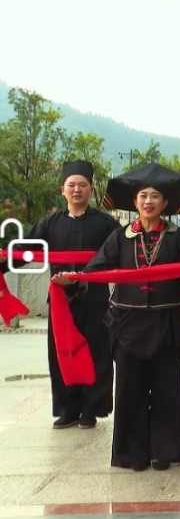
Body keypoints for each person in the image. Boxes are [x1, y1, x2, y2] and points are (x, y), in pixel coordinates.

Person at [56, 162, 180, 471]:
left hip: (167, 323)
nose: (149, 201)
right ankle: (132, 454)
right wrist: (73, 279)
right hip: (127, 325)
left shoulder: (177, 237)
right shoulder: (120, 237)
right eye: (143, 196)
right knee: (129, 392)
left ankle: (165, 451)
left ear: (164, 203)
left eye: (155, 196)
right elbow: (95, 270)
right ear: (135, 202)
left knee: (167, 390)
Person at [0, 161, 120, 429]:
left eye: (83, 185)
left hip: (94, 299)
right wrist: (4, 260)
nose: (77, 190)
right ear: (62, 190)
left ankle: (91, 409)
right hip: (60, 301)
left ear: (91, 190)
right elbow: (26, 250)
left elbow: (118, 253)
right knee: (62, 353)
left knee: (96, 354)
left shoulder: (106, 223)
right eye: (71, 185)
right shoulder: (49, 223)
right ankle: (68, 409)